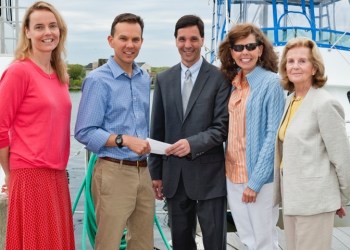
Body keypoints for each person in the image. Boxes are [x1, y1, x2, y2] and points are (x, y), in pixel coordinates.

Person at [149, 14, 231, 250]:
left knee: (215, 243)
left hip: (209, 176)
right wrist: (156, 173)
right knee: (181, 244)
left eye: (193, 39)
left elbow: (221, 127)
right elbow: (158, 129)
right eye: (182, 39)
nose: (188, 45)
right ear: (175, 41)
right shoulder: (164, 79)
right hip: (174, 176)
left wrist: (192, 144)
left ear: (202, 40)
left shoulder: (220, 78)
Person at [74, 13, 154, 250]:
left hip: (144, 172)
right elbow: (84, 132)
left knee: (143, 243)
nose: (130, 45)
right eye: (123, 38)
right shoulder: (98, 80)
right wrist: (124, 140)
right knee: (108, 244)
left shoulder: (143, 78)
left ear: (141, 41)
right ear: (111, 40)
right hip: (112, 172)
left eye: (136, 39)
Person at [0, 1, 75, 249]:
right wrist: (11, 174)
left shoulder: (59, 75)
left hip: (56, 176)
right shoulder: (19, 72)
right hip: (30, 174)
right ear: (27, 32)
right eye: (39, 27)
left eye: (52, 26)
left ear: (60, 31)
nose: (47, 32)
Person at [274, 37, 350, 250]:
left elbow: (341, 157)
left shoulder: (325, 103)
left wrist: (341, 198)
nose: (295, 66)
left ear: (315, 68)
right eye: (290, 61)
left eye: (302, 61)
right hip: (292, 199)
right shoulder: (290, 100)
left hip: (315, 202)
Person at [218, 23, 285, 250]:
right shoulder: (233, 84)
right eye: (238, 47)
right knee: (247, 238)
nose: (244, 52)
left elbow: (272, 136)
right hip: (233, 173)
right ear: (231, 51)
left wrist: (255, 183)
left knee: (264, 241)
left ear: (260, 49)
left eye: (250, 46)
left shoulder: (271, 83)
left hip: (259, 179)